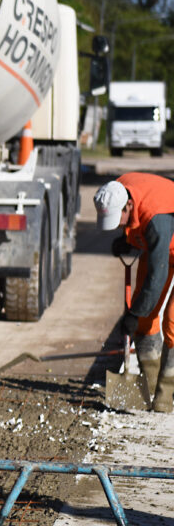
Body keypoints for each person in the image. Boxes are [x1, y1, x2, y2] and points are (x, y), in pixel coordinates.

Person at [95, 173, 174, 411]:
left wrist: (132, 312)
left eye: (119, 219)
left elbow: (156, 278)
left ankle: (165, 397)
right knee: (145, 322)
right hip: (162, 246)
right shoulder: (118, 188)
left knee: (172, 322)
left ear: (128, 205)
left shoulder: (157, 219)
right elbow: (135, 224)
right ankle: (148, 390)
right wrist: (127, 238)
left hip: (166, 243)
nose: (118, 224)